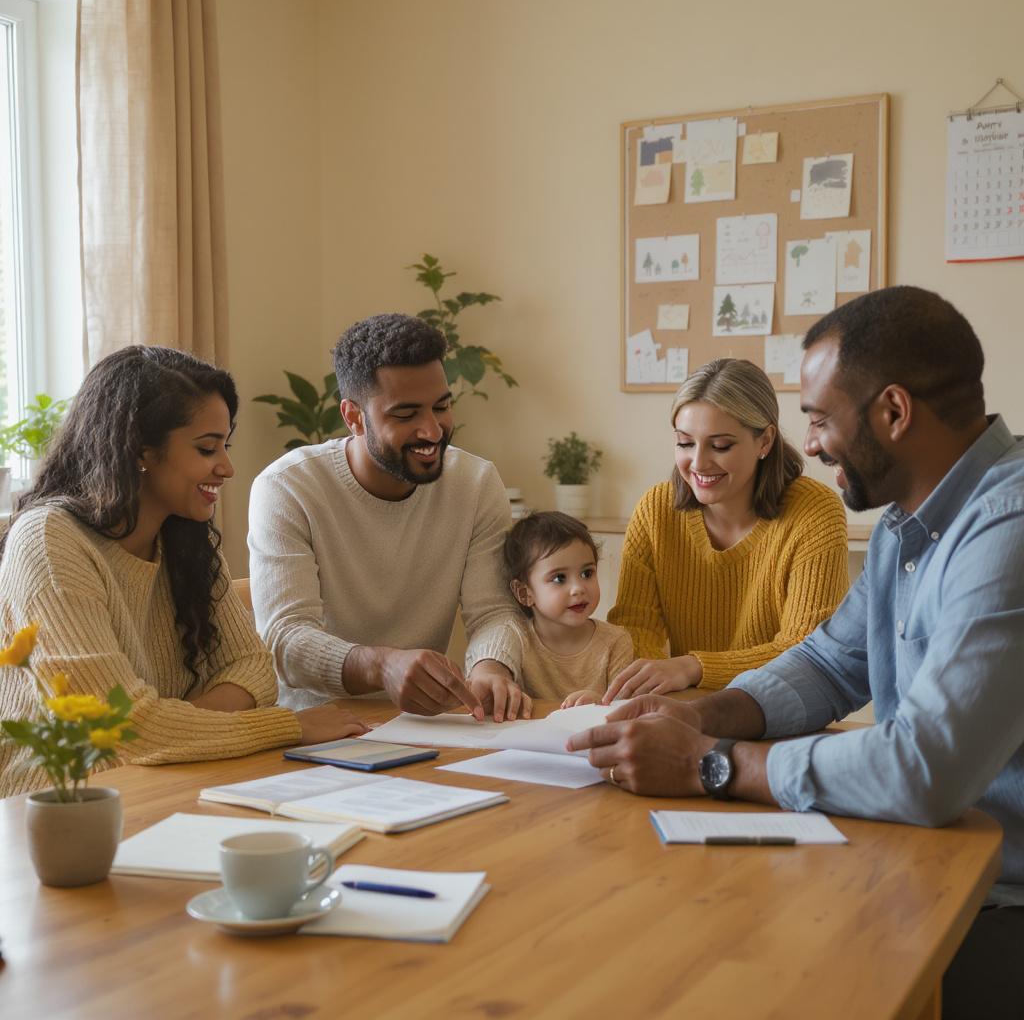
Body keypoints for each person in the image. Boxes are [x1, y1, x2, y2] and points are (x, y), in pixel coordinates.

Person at [568, 286, 1024, 1019]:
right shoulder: (912, 522)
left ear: (894, 413)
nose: (808, 445)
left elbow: (925, 770)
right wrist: (697, 714)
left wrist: (705, 763)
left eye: (817, 420)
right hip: (925, 860)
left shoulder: (1008, 529)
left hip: (997, 902)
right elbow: (827, 662)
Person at [0, 346, 368, 798]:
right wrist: (285, 727)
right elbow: (120, 729)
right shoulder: (49, 540)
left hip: (176, 776)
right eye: (206, 448)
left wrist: (171, 725)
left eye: (224, 446)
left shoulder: (183, 538)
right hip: (66, 803)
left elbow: (254, 669)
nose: (227, 467)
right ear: (141, 451)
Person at [248, 312, 528, 723]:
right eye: (406, 414)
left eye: (442, 406)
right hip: (316, 730)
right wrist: (381, 666)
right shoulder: (288, 487)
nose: (432, 431)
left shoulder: (476, 483)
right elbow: (284, 639)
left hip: (427, 728)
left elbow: (494, 612)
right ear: (354, 417)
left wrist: (490, 666)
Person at [604, 357, 848, 698]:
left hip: (779, 714)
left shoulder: (814, 512)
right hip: (685, 709)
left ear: (764, 441)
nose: (699, 463)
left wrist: (694, 667)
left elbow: (807, 650)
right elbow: (633, 632)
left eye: (720, 446)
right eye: (685, 443)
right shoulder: (655, 510)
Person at [503, 511, 633, 708]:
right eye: (559, 578)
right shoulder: (514, 641)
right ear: (524, 593)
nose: (578, 588)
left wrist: (597, 702)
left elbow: (628, 711)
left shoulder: (616, 642)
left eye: (587, 573)